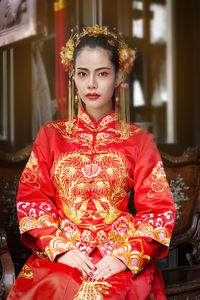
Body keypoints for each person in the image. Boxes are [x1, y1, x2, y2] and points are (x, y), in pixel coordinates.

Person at [8, 25, 176, 300]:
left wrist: (125, 257)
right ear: (73, 76)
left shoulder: (139, 139)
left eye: (103, 74)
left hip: (117, 254)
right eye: (83, 74)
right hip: (64, 253)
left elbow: (158, 208)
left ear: (119, 76)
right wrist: (60, 249)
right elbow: (33, 198)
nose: (92, 84)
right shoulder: (51, 135)